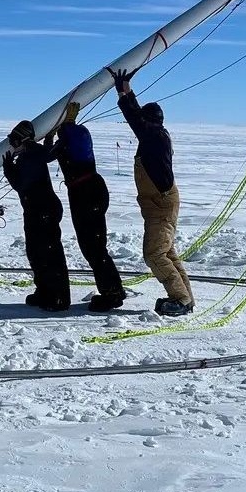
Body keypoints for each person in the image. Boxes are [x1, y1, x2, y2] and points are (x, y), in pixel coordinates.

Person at [110, 67, 194, 316]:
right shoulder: (154, 136)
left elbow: (135, 119)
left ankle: (180, 299)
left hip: (161, 205)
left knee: (154, 254)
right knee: (166, 252)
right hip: (160, 204)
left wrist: (125, 92)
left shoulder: (154, 136)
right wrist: (125, 90)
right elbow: (137, 120)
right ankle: (185, 298)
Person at [43, 102, 125, 311]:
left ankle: (112, 293)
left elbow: (47, 156)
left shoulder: (70, 140)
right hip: (92, 190)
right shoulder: (81, 136)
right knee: (95, 245)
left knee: (93, 246)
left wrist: (50, 136)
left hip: (84, 194)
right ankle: (113, 289)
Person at [3, 119, 71, 311]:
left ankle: (59, 297)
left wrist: (10, 171)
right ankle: (44, 291)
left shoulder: (31, 154)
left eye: (15, 139)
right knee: (35, 252)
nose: (12, 144)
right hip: (34, 210)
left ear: (24, 139)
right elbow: (47, 154)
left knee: (49, 253)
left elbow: (22, 185)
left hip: (44, 210)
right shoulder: (29, 155)